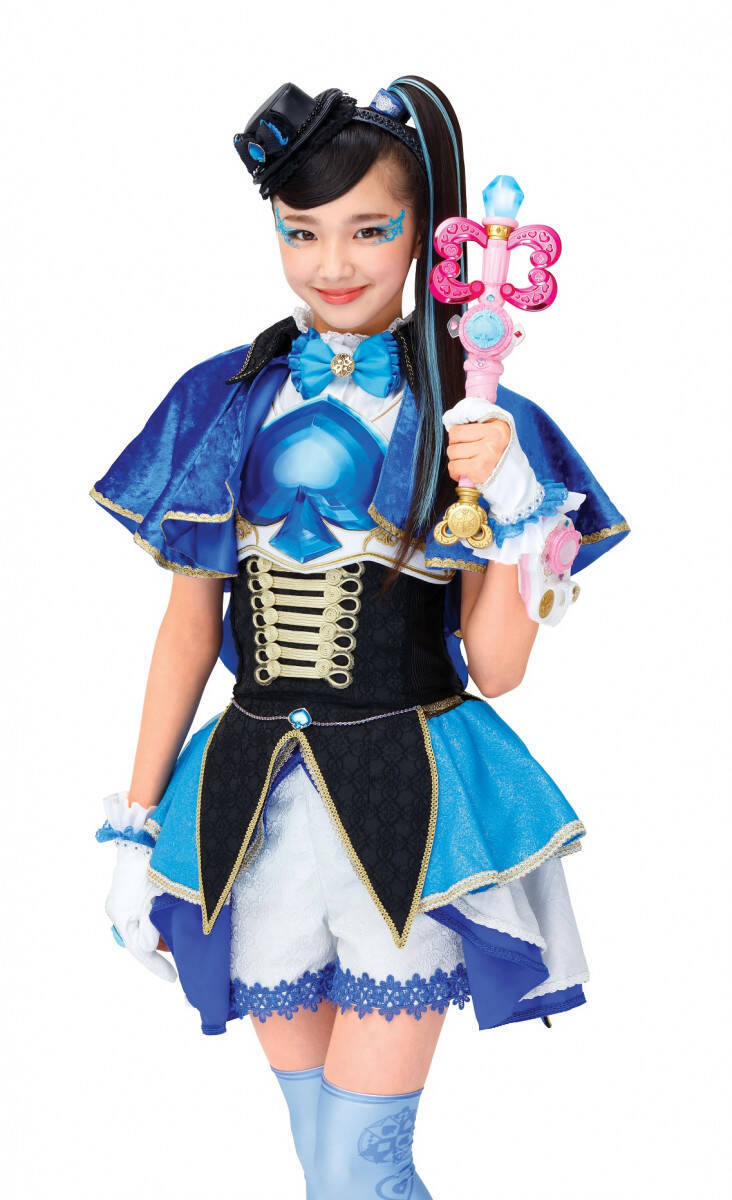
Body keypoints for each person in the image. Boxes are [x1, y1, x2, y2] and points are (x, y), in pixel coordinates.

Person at [91, 77, 629, 1200]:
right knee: (319, 1164)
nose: (332, 263)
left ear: (430, 233)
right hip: (247, 807)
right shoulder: (224, 399)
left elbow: (498, 668)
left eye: (370, 230)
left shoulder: (478, 421)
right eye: (302, 231)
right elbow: (187, 631)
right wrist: (133, 829)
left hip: (412, 809)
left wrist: (518, 512)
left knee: (359, 1167)